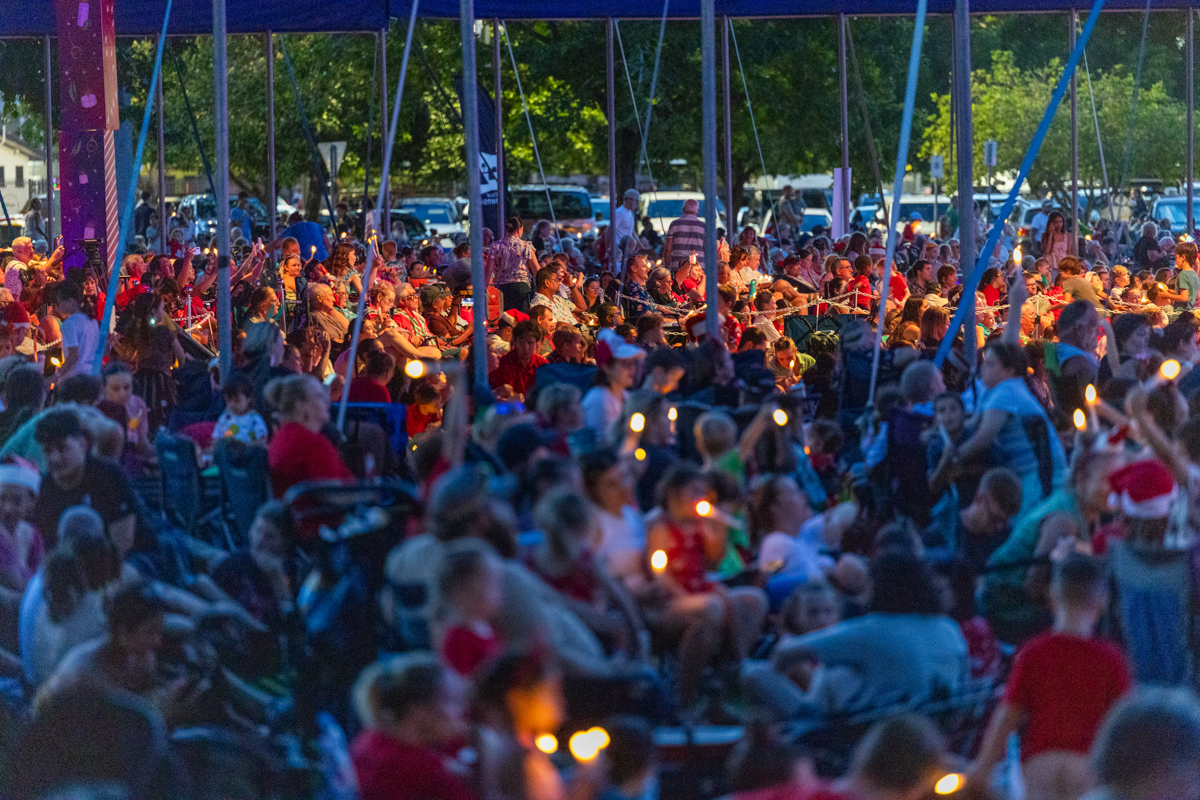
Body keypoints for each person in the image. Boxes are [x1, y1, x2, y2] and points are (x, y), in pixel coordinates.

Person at [970, 555, 1132, 800]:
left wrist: (982, 768)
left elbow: (1008, 715)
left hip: (1040, 762)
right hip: (1087, 764)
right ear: (1101, 602)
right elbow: (1125, 724)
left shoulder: (1033, 652)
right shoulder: (1111, 659)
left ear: (1052, 596)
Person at [350, 653, 475, 800]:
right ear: (420, 712)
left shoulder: (369, 741)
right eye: (451, 700)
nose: (463, 709)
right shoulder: (419, 769)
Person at [32, 407, 146, 552]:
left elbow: (123, 546)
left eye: (62, 448)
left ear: (83, 444)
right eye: (48, 451)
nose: (55, 458)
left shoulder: (108, 476)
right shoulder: (45, 487)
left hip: (130, 558)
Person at [265, 373, 354, 499]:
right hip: (323, 515)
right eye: (319, 396)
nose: (327, 400)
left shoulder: (280, 438)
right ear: (300, 405)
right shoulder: (311, 444)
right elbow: (337, 495)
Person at [435, 542, 504, 678]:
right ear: (462, 593)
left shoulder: (485, 627)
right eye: (491, 584)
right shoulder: (458, 639)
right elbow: (466, 686)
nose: (499, 592)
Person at [581, 329, 645, 444]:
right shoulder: (598, 400)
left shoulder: (625, 396)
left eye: (632, 363)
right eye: (625, 364)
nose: (632, 369)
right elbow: (601, 445)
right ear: (607, 367)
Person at [48, 280, 99, 385]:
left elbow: (73, 355)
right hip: (94, 374)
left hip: (76, 378)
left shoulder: (70, 323)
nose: (57, 307)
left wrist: (57, 375)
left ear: (70, 301)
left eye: (59, 302)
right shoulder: (92, 320)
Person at [488, 320, 547, 402]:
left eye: (530, 343)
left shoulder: (543, 365)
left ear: (537, 343)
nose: (526, 348)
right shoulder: (503, 364)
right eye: (521, 342)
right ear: (514, 342)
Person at [492, 216, 540, 313]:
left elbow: (488, 271)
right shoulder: (526, 247)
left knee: (505, 321)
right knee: (522, 320)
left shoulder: (495, 246)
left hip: (501, 289)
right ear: (519, 229)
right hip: (521, 289)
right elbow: (537, 272)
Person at [212, 372, 269, 444]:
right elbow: (216, 437)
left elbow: (262, 440)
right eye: (229, 400)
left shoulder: (254, 419)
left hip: (248, 453)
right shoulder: (225, 417)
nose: (232, 404)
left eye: (237, 400)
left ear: (248, 398)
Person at [663, 198, 706, 271]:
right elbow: (708, 250)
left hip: (677, 267)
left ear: (683, 210)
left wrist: (667, 266)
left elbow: (668, 249)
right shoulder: (703, 226)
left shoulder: (674, 224)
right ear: (697, 211)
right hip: (698, 269)